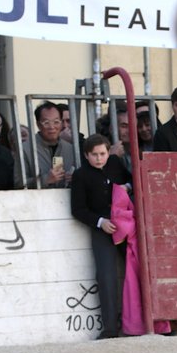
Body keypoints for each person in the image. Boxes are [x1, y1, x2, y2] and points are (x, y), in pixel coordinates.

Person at [70, 134, 131, 340]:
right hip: (102, 228)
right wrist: (100, 222)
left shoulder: (114, 163)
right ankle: (110, 328)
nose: (99, 158)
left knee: (136, 270)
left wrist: (126, 188)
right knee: (106, 276)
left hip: (124, 225)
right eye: (94, 155)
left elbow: (131, 180)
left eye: (103, 154)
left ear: (108, 152)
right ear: (86, 155)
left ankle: (137, 322)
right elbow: (78, 209)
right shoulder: (81, 175)